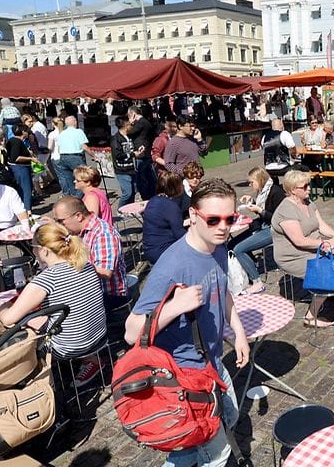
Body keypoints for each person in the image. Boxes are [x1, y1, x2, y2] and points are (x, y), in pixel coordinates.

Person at [124, 178, 250, 467]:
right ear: (193, 215)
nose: (223, 226)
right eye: (213, 219)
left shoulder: (217, 245)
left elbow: (224, 290)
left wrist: (239, 333)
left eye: (229, 218)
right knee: (215, 454)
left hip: (213, 362)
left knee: (224, 421)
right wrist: (173, 307)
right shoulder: (172, 267)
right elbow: (131, 333)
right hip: (187, 376)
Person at [0, 223, 107, 385]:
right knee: (38, 319)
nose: (32, 251)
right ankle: (92, 360)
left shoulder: (47, 279)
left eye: (33, 246)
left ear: (45, 250)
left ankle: (37, 378)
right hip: (98, 336)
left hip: (68, 347)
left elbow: (8, 318)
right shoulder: (86, 265)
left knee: (18, 325)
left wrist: (2, 307)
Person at [271, 168, 334, 328]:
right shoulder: (286, 210)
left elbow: (321, 225)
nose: (309, 189)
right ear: (292, 190)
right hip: (293, 255)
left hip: (313, 249)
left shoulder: (308, 202)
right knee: (327, 272)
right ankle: (310, 316)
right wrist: (327, 244)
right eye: (304, 187)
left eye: (308, 185)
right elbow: (299, 241)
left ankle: (333, 292)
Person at [51, 196, 129, 313]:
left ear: (78, 216)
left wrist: (70, 267)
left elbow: (105, 272)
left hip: (110, 297)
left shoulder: (103, 233)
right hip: (92, 293)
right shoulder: (78, 231)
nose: (59, 225)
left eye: (61, 221)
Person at [230, 167, 285, 295]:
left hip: (274, 230)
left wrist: (259, 211)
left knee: (239, 249)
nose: (250, 185)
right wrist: (252, 201)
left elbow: (279, 219)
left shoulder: (276, 192)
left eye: (251, 182)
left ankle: (257, 281)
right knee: (232, 244)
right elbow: (263, 207)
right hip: (262, 225)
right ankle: (250, 267)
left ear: (260, 180)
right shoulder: (263, 192)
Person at [142, 173, 188, 263]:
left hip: (148, 248)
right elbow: (180, 235)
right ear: (175, 187)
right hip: (163, 250)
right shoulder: (171, 207)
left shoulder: (153, 200)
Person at [55, 115, 92, 198]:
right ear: (75, 122)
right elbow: (84, 146)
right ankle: (80, 198)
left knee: (70, 181)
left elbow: (59, 147)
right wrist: (94, 155)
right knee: (83, 178)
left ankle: (74, 199)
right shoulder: (78, 131)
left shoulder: (62, 133)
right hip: (75, 157)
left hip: (63, 157)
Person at [5, 124, 39, 211]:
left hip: (18, 168)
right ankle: (27, 211)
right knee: (26, 190)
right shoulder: (17, 142)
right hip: (21, 168)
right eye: (27, 131)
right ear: (23, 132)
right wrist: (31, 158)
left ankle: (23, 210)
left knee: (22, 190)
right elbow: (16, 158)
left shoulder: (12, 141)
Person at [127, 106, 157, 199]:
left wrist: (130, 123)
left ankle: (144, 195)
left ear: (133, 114)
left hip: (141, 152)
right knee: (148, 174)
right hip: (145, 151)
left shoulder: (140, 123)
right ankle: (151, 193)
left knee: (140, 175)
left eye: (129, 116)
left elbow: (129, 132)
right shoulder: (145, 122)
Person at [110, 116, 137, 209]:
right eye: (129, 124)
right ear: (125, 125)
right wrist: (132, 154)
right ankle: (120, 210)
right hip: (122, 170)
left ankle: (130, 210)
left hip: (132, 168)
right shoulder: (116, 139)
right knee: (127, 192)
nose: (131, 126)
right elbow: (117, 155)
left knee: (133, 191)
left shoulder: (129, 137)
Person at [47, 116, 66, 193]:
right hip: (65, 155)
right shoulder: (65, 132)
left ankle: (65, 192)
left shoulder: (52, 134)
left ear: (53, 124)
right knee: (67, 175)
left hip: (56, 156)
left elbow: (50, 147)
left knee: (61, 176)